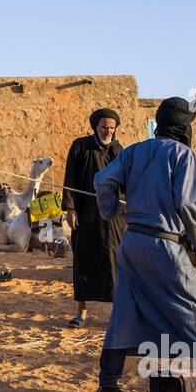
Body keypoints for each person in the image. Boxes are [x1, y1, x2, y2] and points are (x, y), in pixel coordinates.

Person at [89, 97, 196, 392]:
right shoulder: (183, 154)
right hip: (163, 245)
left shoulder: (135, 151)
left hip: (132, 242)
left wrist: (110, 211)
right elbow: (190, 203)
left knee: (125, 310)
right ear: (182, 126)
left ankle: (107, 384)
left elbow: (102, 181)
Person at [62, 109, 125, 329]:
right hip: (86, 215)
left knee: (114, 263)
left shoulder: (119, 150)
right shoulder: (80, 147)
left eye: (111, 127)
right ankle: (82, 313)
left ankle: (116, 315)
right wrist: (70, 208)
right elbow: (70, 178)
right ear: (95, 128)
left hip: (114, 219)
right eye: (103, 127)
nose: (107, 131)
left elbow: (126, 181)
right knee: (84, 261)